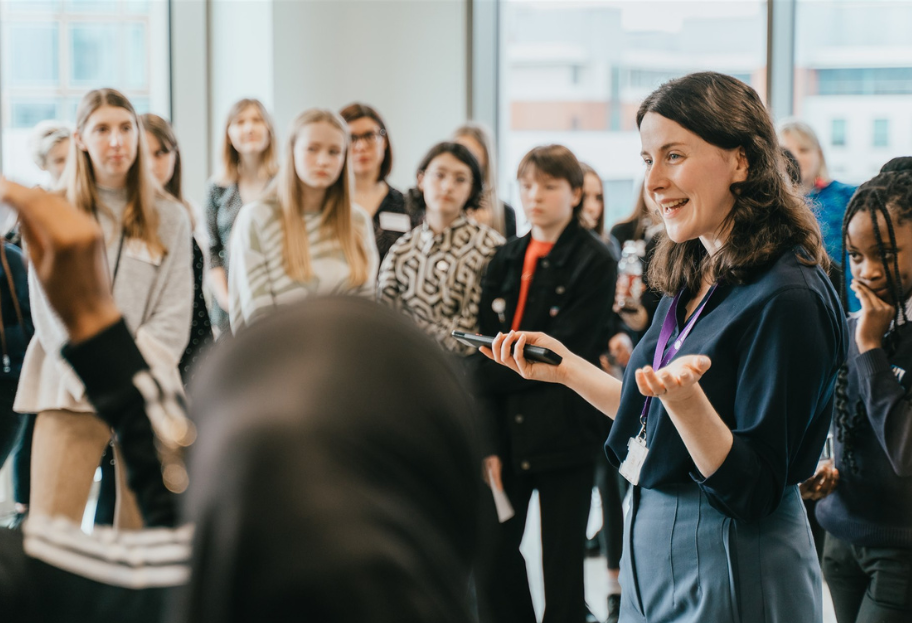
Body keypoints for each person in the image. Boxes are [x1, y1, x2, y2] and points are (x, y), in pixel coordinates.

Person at [0, 178, 485, 623]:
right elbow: (175, 496)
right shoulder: (432, 597)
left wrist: (93, 324)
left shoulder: (184, 591)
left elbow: (174, 520)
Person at [481, 72, 847, 622]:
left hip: (729, 556)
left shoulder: (788, 294)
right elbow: (651, 409)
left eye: (673, 155)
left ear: (742, 161)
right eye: (647, 158)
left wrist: (688, 404)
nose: (653, 180)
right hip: (652, 544)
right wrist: (567, 370)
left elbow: (754, 488)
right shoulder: (699, 267)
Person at [13, 88, 193, 530]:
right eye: (103, 130)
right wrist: (93, 376)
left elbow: (173, 316)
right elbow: (49, 311)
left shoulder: (170, 215)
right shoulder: (55, 210)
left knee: (145, 538)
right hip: (68, 385)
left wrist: (129, 384)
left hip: (148, 389)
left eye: (126, 128)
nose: (117, 141)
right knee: (52, 534)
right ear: (80, 139)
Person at [472, 145, 615, 623]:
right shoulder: (505, 255)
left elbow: (558, 355)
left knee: (563, 571)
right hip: (505, 435)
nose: (535, 196)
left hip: (566, 434)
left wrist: (489, 362)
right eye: (527, 185)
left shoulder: (594, 258)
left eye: (549, 186)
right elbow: (489, 354)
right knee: (490, 555)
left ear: (575, 194)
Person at [815, 159, 912, 623]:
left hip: (900, 550)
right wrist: (823, 465)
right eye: (856, 256)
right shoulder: (856, 326)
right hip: (841, 535)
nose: (868, 271)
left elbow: (906, 452)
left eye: (887, 254)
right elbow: (846, 419)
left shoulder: (867, 334)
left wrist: (871, 347)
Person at [228, 109, 378, 332]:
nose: (323, 161)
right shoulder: (256, 219)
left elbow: (367, 308)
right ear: (292, 151)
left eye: (334, 152)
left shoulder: (357, 221)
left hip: (347, 358)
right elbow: (256, 318)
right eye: (312, 149)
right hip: (278, 360)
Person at [377, 142, 503, 355]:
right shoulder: (401, 251)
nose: (447, 186)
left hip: (469, 374)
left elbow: (477, 331)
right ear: (421, 179)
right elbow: (385, 321)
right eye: (439, 175)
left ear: (472, 188)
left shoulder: (491, 247)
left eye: (460, 179)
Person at [141, 113, 214, 384]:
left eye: (161, 153)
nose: (152, 164)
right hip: (153, 347)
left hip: (195, 337)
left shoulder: (187, 212)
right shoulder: (124, 219)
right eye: (143, 153)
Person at [206, 98, 278, 335]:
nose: (249, 128)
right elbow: (212, 250)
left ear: (268, 129)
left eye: (257, 120)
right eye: (240, 122)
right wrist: (228, 300)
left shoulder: (284, 185)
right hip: (228, 310)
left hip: (277, 306)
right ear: (228, 134)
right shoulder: (217, 188)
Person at [779, 119, 858, 309]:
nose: (795, 157)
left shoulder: (849, 196)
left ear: (819, 154)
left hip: (846, 299)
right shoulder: (771, 206)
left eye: (803, 150)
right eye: (786, 151)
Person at [339, 103, 419, 263]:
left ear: (385, 141)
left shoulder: (406, 205)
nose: (361, 146)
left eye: (370, 136)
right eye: (351, 138)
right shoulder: (328, 204)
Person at [453, 122, 517, 238]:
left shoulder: (505, 213)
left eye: (472, 156)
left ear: (485, 161)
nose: (463, 163)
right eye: (457, 155)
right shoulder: (437, 207)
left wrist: (484, 233)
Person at [29, 120, 71, 188]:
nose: (70, 165)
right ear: (42, 165)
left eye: (73, 157)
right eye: (60, 161)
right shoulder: (38, 197)